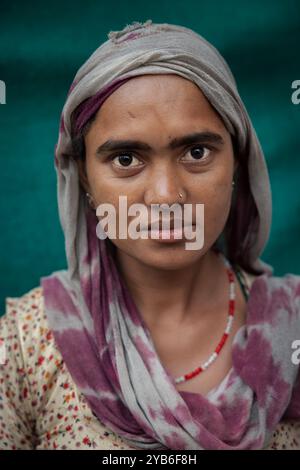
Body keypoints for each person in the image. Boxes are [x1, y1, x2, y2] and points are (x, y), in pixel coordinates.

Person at [0, 20, 299, 450]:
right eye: (126, 158)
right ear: (83, 175)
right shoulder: (26, 347)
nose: (165, 196)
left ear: (237, 161)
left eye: (196, 152)